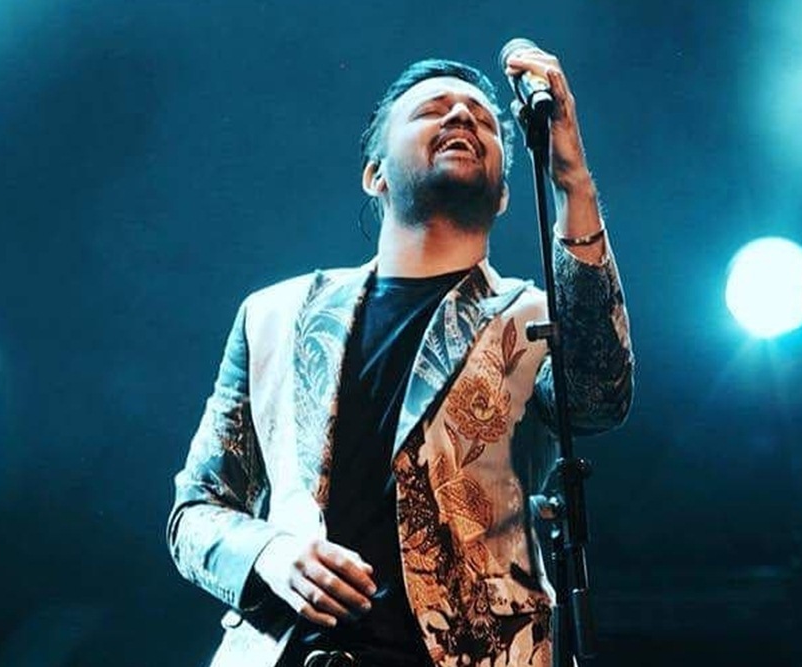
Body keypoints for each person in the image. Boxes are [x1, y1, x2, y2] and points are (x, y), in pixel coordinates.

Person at [167, 46, 633, 667]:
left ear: (502, 196)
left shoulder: (536, 319)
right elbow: (196, 512)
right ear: (375, 175)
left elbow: (601, 396)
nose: (462, 116)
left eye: (483, 119)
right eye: (433, 110)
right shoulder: (273, 316)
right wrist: (270, 553)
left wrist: (572, 181)